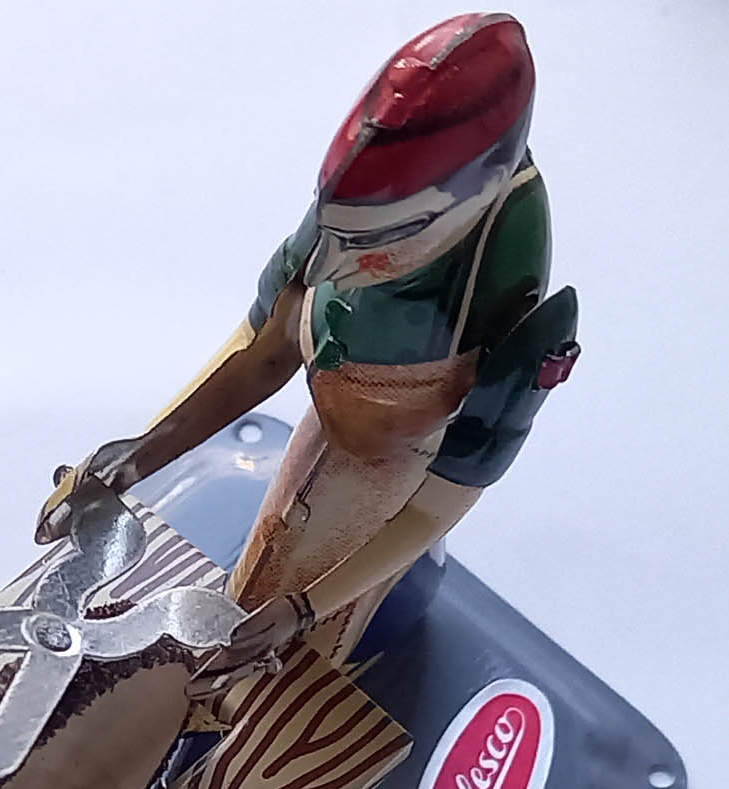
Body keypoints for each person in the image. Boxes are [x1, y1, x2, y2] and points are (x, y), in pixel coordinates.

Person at [39, 12, 578, 665]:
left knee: (299, 660)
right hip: (331, 449)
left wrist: (306, 608)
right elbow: (264, 351)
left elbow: (443, 498)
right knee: (247, 604)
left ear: (473, 199)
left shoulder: (506, 303)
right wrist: (135, 457)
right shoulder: (353, 218)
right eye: (331, 227)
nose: (324, 267)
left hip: (389, 497)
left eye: (373, 243)